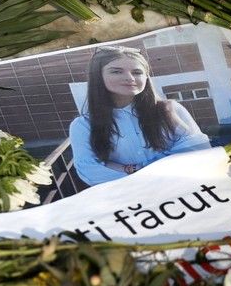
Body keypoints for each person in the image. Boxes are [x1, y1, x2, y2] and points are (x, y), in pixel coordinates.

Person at [69, 46, 211, 186]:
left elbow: (198, 148)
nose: (129, 78)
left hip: (184, 186)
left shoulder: (170, 109)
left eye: (137, 72)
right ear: (98, 76)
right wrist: (163, 164)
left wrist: (131, 168)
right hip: (134, 198)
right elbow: (88, 170)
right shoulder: (83, 125)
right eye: (116, 72)